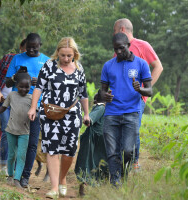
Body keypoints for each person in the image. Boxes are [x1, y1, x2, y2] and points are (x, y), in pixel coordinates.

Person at [28, 37, 90, 198]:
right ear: (58, 53)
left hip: (72, 114)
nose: (66, 59)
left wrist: (87, 113)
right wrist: (33, 107)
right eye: (63, 55)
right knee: (52, 148)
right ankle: (54, 188)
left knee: (70, 151)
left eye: (69, 55)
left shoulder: (79, 68)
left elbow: (83, 93)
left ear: (75, 54)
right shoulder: (49, 66)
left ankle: (63, 178)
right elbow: (38, 87)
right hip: (51, 113)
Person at [101, 33, 153, 187]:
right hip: (111, 114)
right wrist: (105, 96)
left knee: (129, 151)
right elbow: (102, 91)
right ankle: (115, 181)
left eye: (121, 48)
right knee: (112, 151)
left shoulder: (142, 64)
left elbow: (149, 91)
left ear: (128, 46)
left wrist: (140, 89)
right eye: (115, 49)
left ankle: (123, 173)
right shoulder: (108, 66)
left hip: (131, 113)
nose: (118, 52)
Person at [114, 18, 163, 168]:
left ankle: (134, 163)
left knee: (132, 128)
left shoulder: (143, 45)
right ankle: (121, 163)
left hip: (136, 98)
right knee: (120, 130)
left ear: (122, 29)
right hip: (119, 99)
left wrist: (144, 91)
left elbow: (158, 67)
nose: (113, 34)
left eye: (114, 31)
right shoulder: (118, 48)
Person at [5, 33, 49, 187]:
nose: (31, 50)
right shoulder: (17, 58)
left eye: (34, 48)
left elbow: (53, 84)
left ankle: (25, 176)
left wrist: (41, 82)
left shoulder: (46, 61)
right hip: (18, 105)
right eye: (29, 47)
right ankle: (14, 173)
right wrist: (17, 76)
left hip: (37, 106)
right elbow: (8, 82)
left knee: (32, 143)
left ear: (40, 46)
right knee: (17, 141)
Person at [0, 72, 32, 189]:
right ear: (16, 85)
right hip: (11, 131)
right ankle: (10, 176)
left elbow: (37, 112)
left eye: (27, 87)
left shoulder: (32, 98)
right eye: (21, 86)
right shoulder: (12, 95)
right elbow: (2, 108)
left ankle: (16, 179)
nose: (24, 89)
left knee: (21, 156)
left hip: (24, 132)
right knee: (11, 155)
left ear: (30, 86)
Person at [0, 39, 27, 174]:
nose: (26, 53)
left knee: (17, 132)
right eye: (24, 50)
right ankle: (4, 165)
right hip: (3, 100)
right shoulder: (8, 59)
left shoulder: (31, 63)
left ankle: (12, 163)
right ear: (20, 48)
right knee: (6, 128)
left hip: (20, 102)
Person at [74, 90, 107, 196]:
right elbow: (91, 118)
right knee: (91, 163)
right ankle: (84, 188)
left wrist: (88, 120)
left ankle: (85, 187)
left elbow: (92, 118)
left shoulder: (101, 107)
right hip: (95, 141)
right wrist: (89, 120)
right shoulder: (102, 108)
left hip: (95, 141)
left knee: (88, 163)